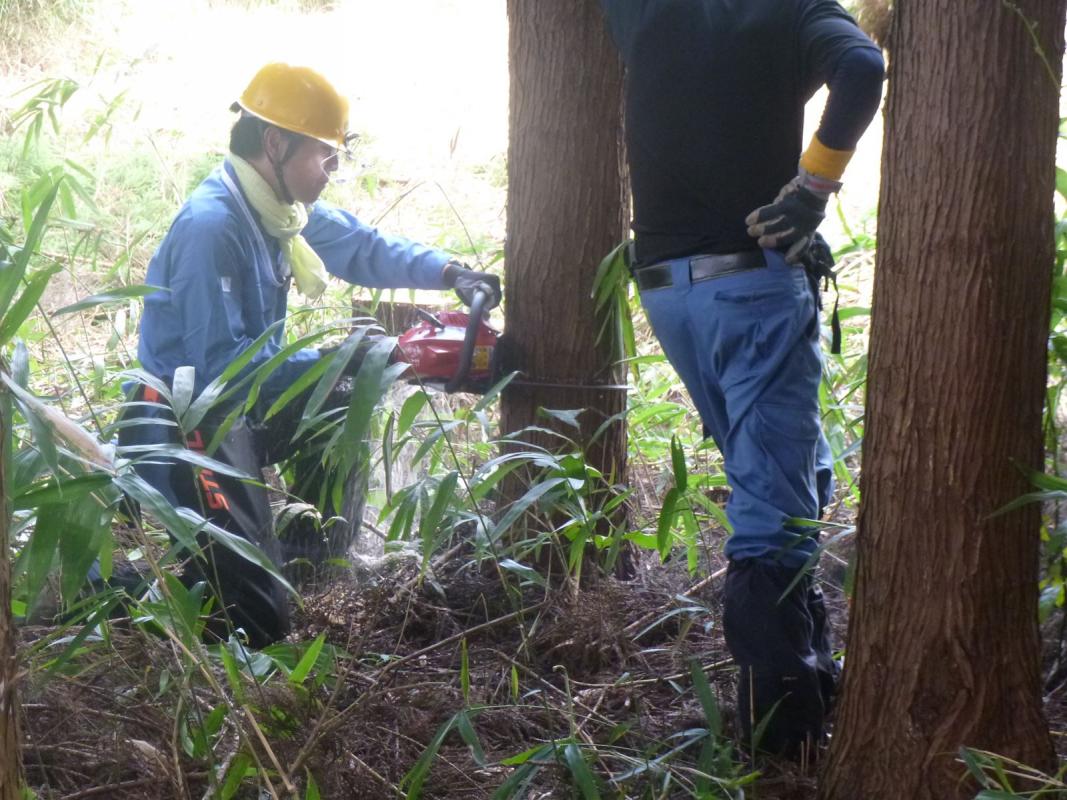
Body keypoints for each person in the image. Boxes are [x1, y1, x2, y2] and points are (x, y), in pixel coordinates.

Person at [118, 63, 500, 648]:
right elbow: (221, 369)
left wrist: (450, 272)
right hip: (184, 424)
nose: (333, 171)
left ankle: (302, 561)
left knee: (342, 401)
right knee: (254, 623)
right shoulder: (212, 226)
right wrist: (348, 357)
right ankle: (178, 596)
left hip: (238, 406)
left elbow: (362, 247)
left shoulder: (278, 209)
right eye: (325, 156)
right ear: (275, 144)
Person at [599, 1, 884, 756]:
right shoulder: (795, 11)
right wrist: (809, 191)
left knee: (792, 474)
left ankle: (811, 675)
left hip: (666, 290)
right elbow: (861, 67)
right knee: (773, 507)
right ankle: (780, 737)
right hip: (750, 289)